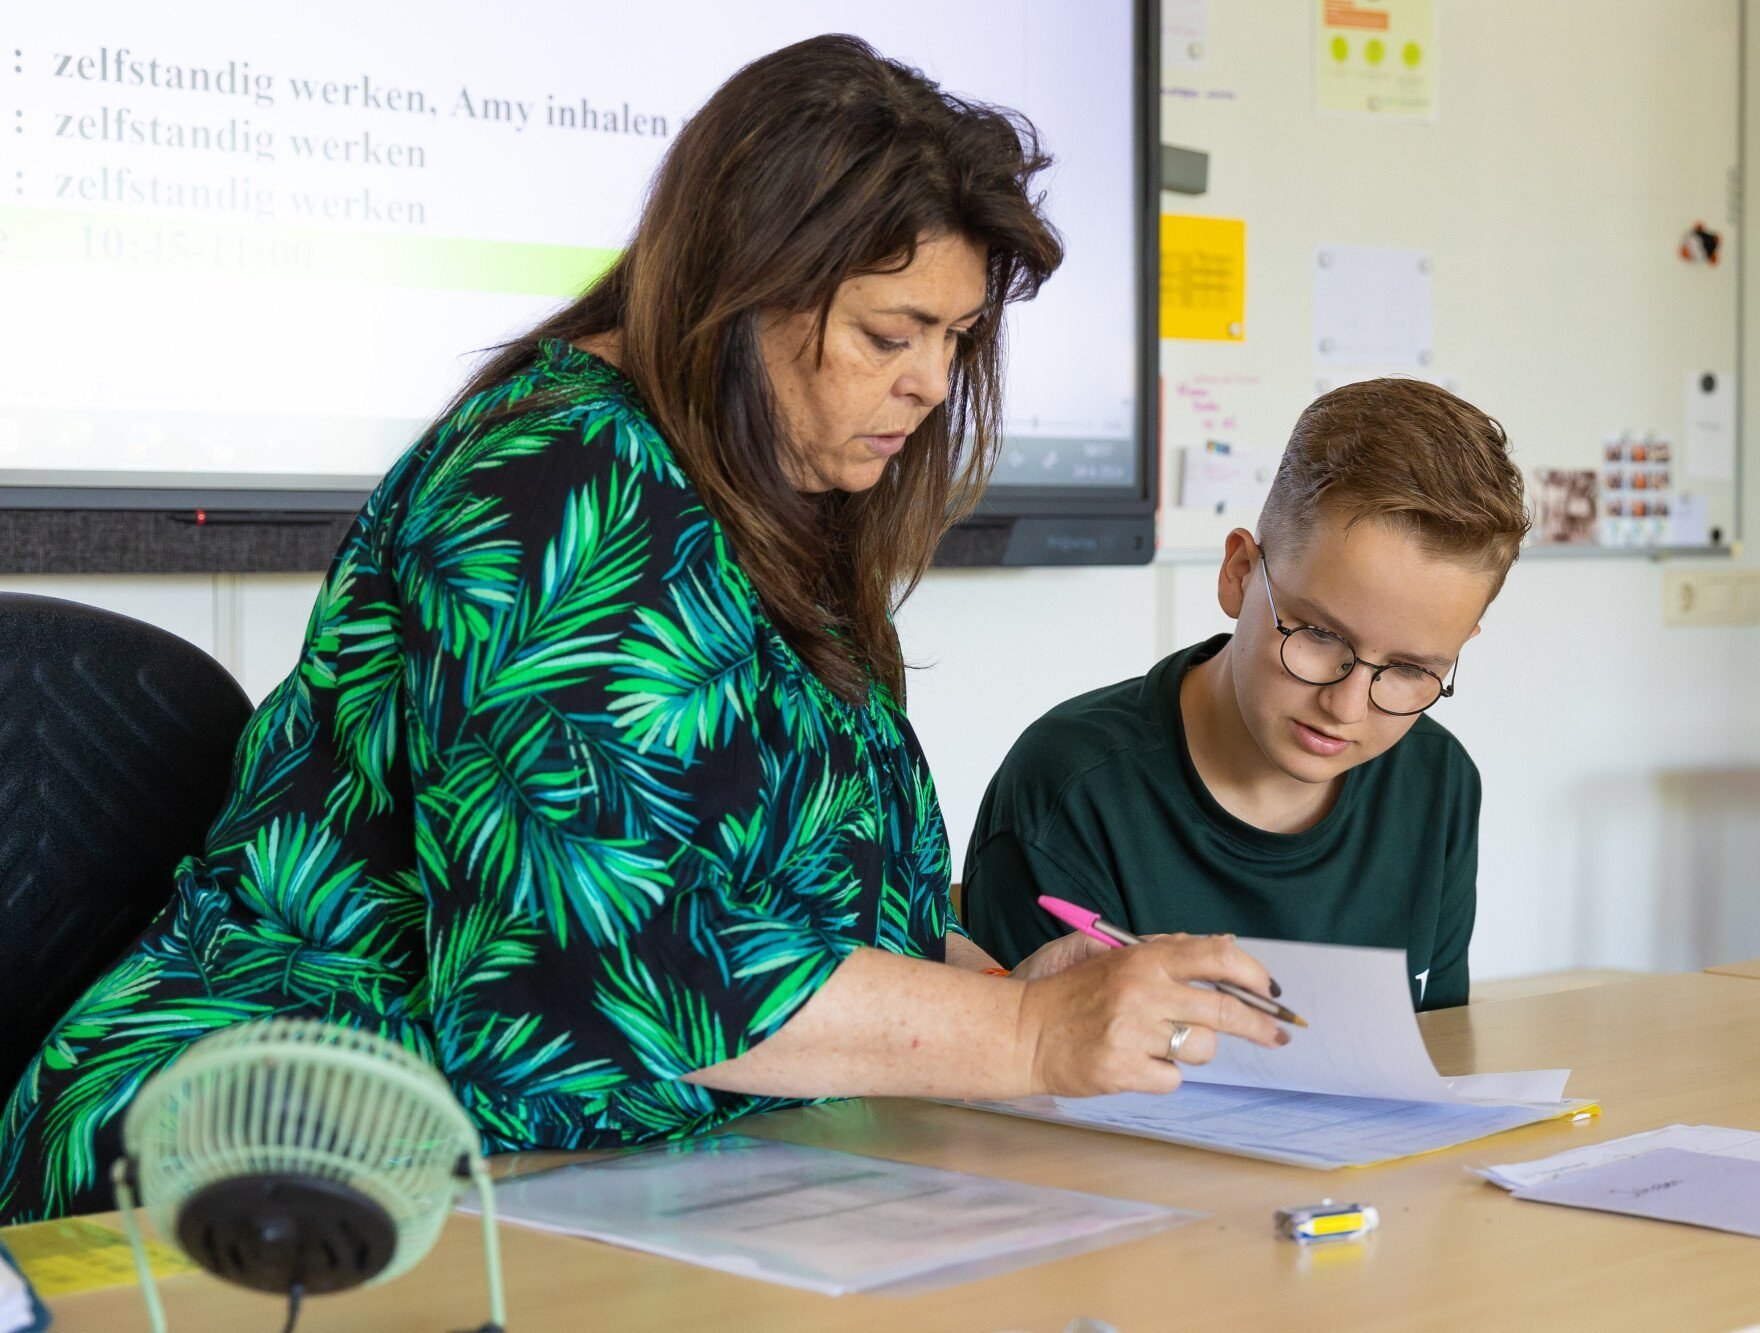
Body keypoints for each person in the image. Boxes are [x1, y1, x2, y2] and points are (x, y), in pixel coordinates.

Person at [0, 34, 1283, 1224]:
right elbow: (596, 963)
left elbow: (794, 921)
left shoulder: (763, 504)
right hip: (259, 1146)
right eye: (893, 334)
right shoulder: (550, 479)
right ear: (743, 293)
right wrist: (1019, 1042)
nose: (932, 383)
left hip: (569, 1162)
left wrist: (1010, 995)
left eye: (955, 338)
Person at [963, 379, 1531, 1011]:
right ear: (1238, 575)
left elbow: (1438, 1049)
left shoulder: (1438, 780)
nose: (1345, 708)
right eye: (1317, 634)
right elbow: (1023, 1084)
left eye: (1408, 670)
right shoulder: (1072, 787)